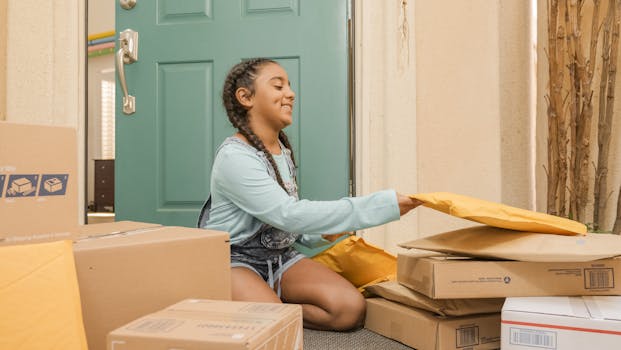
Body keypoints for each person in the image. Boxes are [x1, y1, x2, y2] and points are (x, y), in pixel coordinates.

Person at [199, 58, 423, 331]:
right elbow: (289, 215)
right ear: (246, 97)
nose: (290, 93)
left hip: (279, 259)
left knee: (349, 309)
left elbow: (286, 226)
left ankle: (270, 306)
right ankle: (262, 308)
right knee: (274, 327)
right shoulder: (235, 157)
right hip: (234, 261)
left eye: (289, 86)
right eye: (278, 86)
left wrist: (323, 233)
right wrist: (382, 205)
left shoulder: (281, 150)